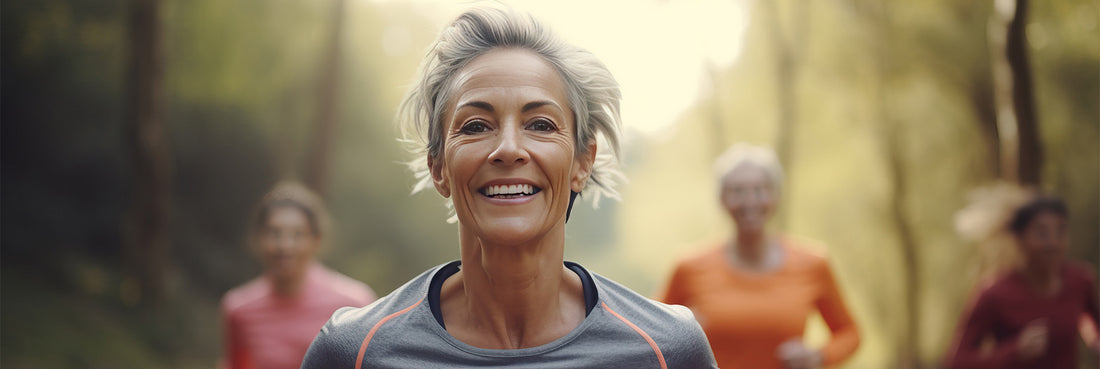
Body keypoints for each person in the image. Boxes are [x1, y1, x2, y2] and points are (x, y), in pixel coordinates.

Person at [300, 6, 716, 368]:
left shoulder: (668, 351)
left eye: (540, 125)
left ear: (581, 162)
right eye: (476, 126)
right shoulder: (353, 353)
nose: (509, 148)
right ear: (438, 167)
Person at [658, 143, 861, 369]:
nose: (750, 201)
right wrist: (685, 333)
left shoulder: (813, 263)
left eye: (761, 190)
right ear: (721, 199)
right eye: (737, 191)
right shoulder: (689, 267)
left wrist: (818, 356)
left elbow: (850, 334)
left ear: (776, 196)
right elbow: (652, 335)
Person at [220, 182, 376, 369]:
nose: (285, 246)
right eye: (275, 233)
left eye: (298, 234)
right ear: (259, 238)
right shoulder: (239, 309)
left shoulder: (356, 303)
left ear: (316, 240)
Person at [945, 193, 1100, 369]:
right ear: (1019, 240)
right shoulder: (994, 293)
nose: (1053, 243)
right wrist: (1015, 352)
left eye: (1061, 231)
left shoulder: (1080, 281)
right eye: (1042, 234)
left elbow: (1092, 325)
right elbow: (957, 361)